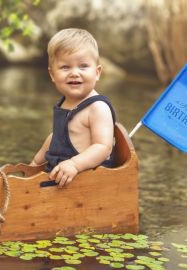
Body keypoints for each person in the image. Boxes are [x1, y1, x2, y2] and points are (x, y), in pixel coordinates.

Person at [30, 28, 116, 188]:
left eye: (83, 66)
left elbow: (103, 147)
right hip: (59, 176)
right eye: (65, 67)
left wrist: (74, 164)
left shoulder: (97, 107)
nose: (74, 73)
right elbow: (58, 135)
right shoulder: (64, 102)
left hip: (84, 182)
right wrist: (36, 162)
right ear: (52, 75)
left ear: (97, 72)